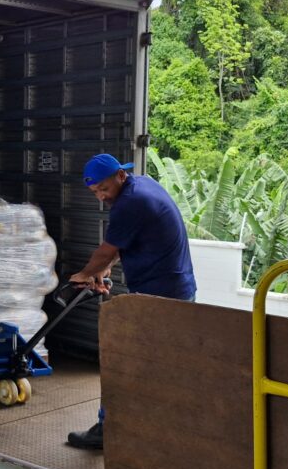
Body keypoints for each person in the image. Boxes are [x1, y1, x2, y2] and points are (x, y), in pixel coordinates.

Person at [66, 153, 196, 450]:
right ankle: (154, 430)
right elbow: (130, 242)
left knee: (121, 359)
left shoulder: (130, 204)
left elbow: (106, 250)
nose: (101, 197)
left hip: (159, 296)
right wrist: (105, 268)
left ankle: (107, 429)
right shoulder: (144, 185)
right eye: (95, 192)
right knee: (159, 366)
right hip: (176, 290)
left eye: (104, 189)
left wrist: (86, 274)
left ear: (120, 176)